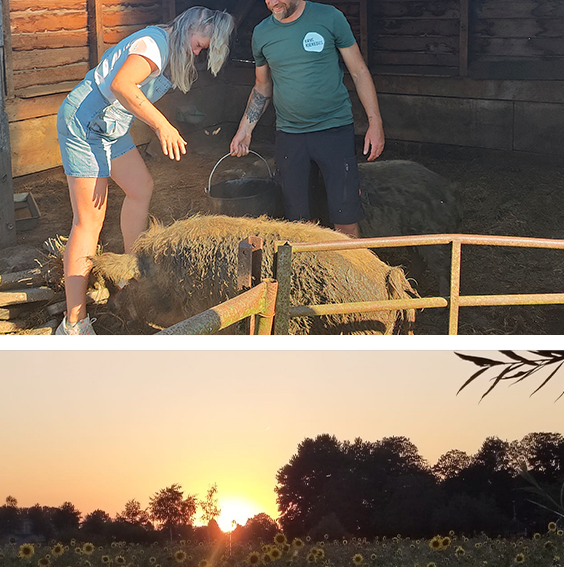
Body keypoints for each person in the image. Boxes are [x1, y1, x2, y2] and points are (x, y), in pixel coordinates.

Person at [54, 6, 235, 335]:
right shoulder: (155, 43)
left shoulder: (167, 50)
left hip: (110, 127)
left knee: (141, 187)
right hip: (84, 124)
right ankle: (74, 322)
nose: (200, 50)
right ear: (192, 27)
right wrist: (162, 126)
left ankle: (127, 273)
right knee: (88, 221)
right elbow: (124, 85)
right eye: (201, 43)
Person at [229, 0, 384, 238]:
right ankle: (311, 273)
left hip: (335, 131)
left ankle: (348, 273)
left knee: (345, 220)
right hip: (290, 136)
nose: (272, 3)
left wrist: (375, 123)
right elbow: (262, 85)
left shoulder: (330, 18)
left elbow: (359, 71)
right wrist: (245, 129)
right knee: (301, 224)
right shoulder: (262, 32)